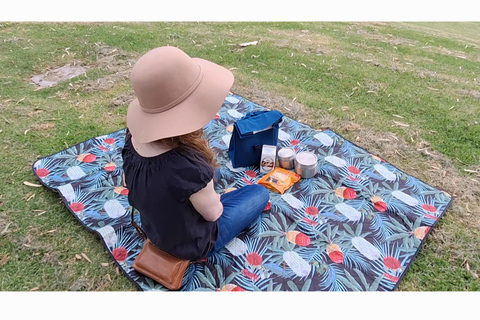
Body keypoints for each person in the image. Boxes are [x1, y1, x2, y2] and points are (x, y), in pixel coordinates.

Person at [122, 46, 270, 261]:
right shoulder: (189, 166)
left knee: (211, 178)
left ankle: (201, 192)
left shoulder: (132, 138)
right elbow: (213, 214)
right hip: (192, 243)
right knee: (259, 193)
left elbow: (128, 181)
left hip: (153, 227)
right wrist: (211, 195)